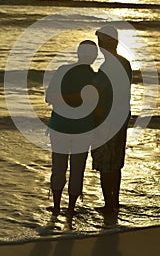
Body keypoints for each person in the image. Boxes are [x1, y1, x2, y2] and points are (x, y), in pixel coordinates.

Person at [45, 40, 98, 216]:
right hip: (84, 128)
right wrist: (80, 98)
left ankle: (57, 206)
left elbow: (49, 97)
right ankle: (70, 209)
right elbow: (92, 102)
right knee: (78, 168)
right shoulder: (95, 77)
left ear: (78, 53)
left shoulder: (62, 70)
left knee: (58, 166)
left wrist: (64, 99)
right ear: (94, 56)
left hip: (59, 126)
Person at [91, 25, 132, 215]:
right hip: (121, 119)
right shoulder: (125, 63)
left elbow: (96, 96)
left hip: (106, 121)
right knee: (115, 163)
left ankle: (108, 205)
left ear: (102, 44)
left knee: (106, 165)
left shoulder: (106, 68)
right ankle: (115, 202)